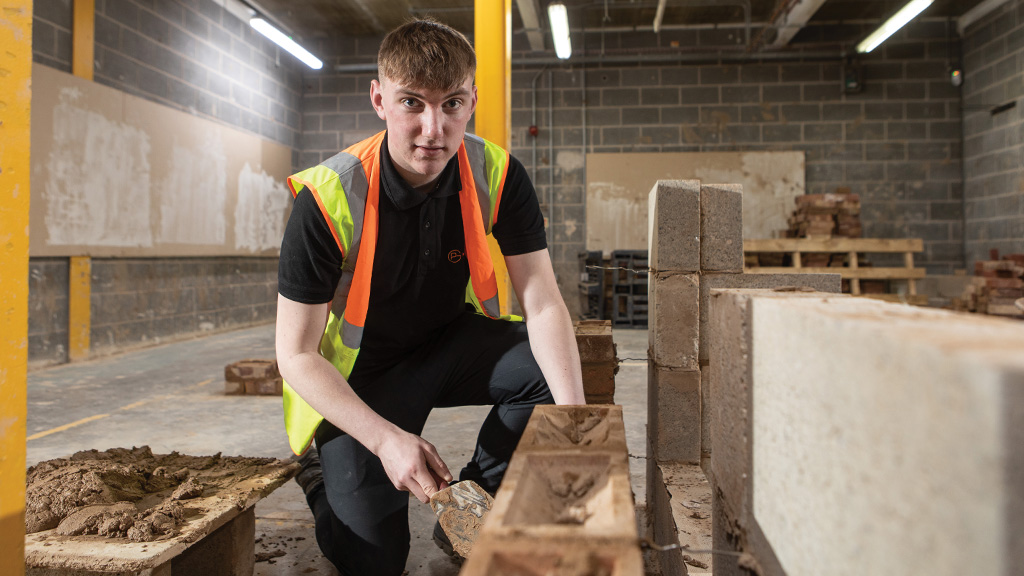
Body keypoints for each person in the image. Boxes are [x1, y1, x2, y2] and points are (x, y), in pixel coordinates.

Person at [275, 18, 585, 576]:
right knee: (374, 561)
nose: (433, 128)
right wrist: (387, 441)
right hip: (360, 379)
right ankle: (322, 477)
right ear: (379, 99)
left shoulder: (496, 172)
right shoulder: (327, 197)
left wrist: (576, 426)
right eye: (412, 102)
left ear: (472, 102)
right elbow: (295, 355)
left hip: (447, 344)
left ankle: (475, 501)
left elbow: (543, 303)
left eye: (452, 104)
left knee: (547, 371)